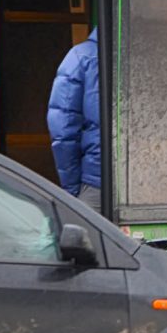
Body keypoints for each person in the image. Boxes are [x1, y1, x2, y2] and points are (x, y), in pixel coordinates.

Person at [47, 27, 101, 213]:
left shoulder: (81, 57)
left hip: (97, 180)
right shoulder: (151, 54)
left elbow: (63, 129)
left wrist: (71, 190)